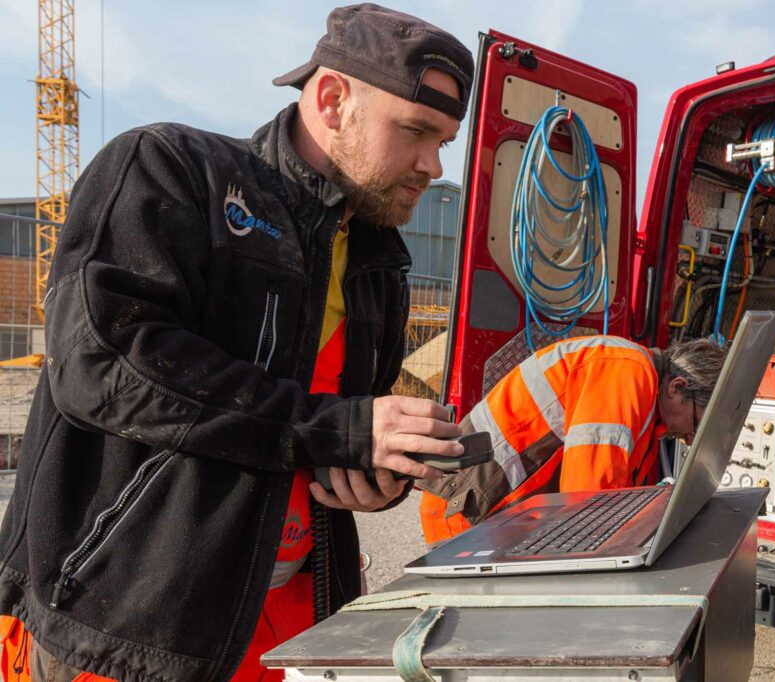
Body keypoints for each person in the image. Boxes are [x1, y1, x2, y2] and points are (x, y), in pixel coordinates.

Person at [0, 4, 474, 681]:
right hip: (128, 629)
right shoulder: (174, 171)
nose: (431, 165)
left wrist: (374, 476)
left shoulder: (378, 263)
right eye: (415, 131)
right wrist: (329, 428)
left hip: (283, 623)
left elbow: (334, 434)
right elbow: (102, 360)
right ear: (334, 99)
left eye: (444, 142)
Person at [419, 335, 728, 544]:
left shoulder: (648, 404)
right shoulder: (626, 373)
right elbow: (588, 501)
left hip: (494, 519)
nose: (689, 439)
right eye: (697, 425)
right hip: (467, 514)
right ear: (677, 387)